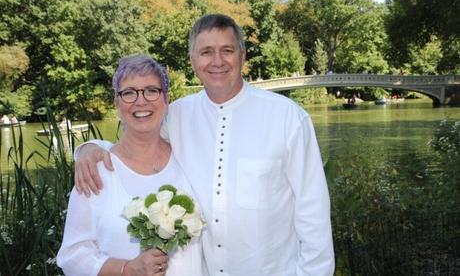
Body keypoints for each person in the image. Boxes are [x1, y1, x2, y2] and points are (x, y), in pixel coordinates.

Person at [74, 14, 335, 275]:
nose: (217, 61)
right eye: (206, 52)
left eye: (227, 50)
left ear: (242, 56)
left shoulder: (288, 118)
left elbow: (313, 214)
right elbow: (137, 138)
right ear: (193, 61)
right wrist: (90, 148)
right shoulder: (176, 116)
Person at [57, 55, 207, 276]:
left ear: (166, 99)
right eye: (129, 93)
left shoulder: (189, 158)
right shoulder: (97, 172)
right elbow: (73, 256)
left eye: (151, 90)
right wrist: (127, 269)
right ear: (117, 104)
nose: (141, 101)